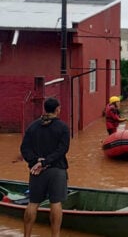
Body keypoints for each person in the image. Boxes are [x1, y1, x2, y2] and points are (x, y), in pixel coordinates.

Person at [20, 97, 70, 237]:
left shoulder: (32, 127)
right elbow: (62, 150)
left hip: (36, 171)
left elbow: (24, 149)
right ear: (57, 109)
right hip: (56, 169)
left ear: (45, 109)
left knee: (33, 203)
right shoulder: (63, 128)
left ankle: (26, 235)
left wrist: (36, 161)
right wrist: (45, 162)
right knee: (55, 203)